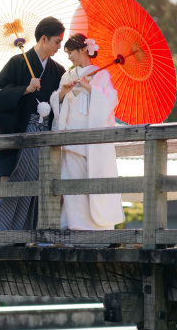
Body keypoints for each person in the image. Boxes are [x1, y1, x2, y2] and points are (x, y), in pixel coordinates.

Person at [0, 17, 67, 230]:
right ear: (43, 38)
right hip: (24, 131)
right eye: (57, 41)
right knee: (15, 181)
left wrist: (63, 94)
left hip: (46, 135)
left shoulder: (59, 71)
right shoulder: (17, 63)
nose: (59, 46)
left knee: (38, 186)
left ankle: (25, 237)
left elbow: (61, 104)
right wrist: (25, 88)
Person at [50, 33, 124, 230]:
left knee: (92, 181)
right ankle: (75, 226)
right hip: (70, 137)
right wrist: (64, 92)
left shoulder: (101, 75)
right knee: (72, 184)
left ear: (83, 50)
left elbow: (111, 101)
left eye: (71, 52)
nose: (70, 58)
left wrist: (91, 89)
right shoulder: (68, 75)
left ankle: (95, 229)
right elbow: (57, 104)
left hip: (92, 139)